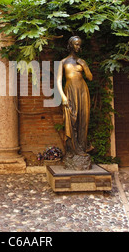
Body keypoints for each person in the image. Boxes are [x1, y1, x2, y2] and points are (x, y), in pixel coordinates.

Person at [56, 36, 93, 169]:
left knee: (83, 119)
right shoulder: (63, 62)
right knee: (71, 120)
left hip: (83, 91)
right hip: (70, 92)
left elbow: (89, 77)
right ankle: (72, 150)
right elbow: (58, 81)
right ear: (70, 45)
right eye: (76, 44)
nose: (78, 47)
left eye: (79, 45)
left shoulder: (81, 61)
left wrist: (84, 66)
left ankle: (82, 149)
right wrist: (63, 97)